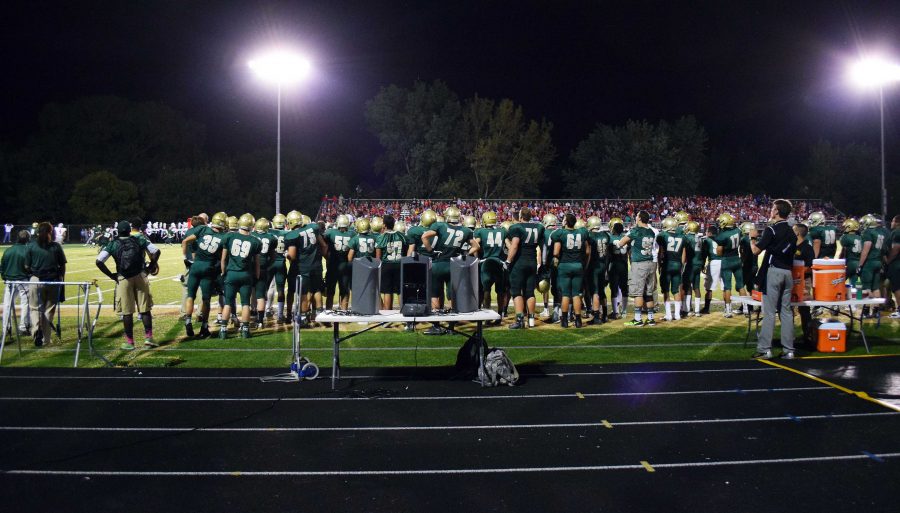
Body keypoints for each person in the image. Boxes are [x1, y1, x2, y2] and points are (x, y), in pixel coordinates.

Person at [96, 220, 161, 350]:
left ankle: (130, 342)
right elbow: (156, 251)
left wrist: (112, 275)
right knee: (145, 309)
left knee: (127, 311)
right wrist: (150, 267)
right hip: (140, 276)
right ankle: (149, 338)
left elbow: (99, 261)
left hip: (123, 278)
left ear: (118, 231)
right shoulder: (139, 240)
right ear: (129, 230)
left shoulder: (113, 243)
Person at [750, 199, 797, 359]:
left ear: (776, 211)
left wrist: (752, 238)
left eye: (772, 208)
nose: (771, 210)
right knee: (786, 312)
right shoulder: (791, 231)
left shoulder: (771, 229)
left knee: (769, 313)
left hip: (774, 272)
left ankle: (765, 349)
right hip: (788, 273)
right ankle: (789, 350)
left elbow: (756, 251)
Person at [181, 212, 227, 338]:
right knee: (206, 299)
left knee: (190, 295)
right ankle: (204, 327)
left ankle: (188, 321)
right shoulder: (224, 237)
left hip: (195, 266)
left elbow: (185, 241)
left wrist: (185, 258)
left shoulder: (203, 229)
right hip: (208, 268)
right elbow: (222, 258)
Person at [24, 222, 67, 347]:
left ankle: (37, 331)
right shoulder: (56, 246)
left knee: (35, 308)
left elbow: (27, 266)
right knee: (49, 310)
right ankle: (46, 339)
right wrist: (61, 278)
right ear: (51, 232)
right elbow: (62, 265)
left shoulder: (31, 246)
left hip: (36, 279)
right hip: (52, 280)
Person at [219, 214, 262, 338]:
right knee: (245, 304)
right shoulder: (255, 241)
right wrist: (257, 276)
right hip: (246, 275)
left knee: (228, 303)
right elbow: (257, 263)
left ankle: (223, 331)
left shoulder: (229, 236)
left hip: (231, 273)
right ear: (252, 225)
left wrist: (223, 273)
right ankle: (245, 330)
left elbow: (223, 259)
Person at [614, 210, 658, 326]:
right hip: (650, 262)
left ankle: (638, 319)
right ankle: (651, 318)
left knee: (638, 293)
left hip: (639, 264)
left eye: (637, 216)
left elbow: (621, 243)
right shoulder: (651, 232)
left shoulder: (635, 231)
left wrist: (616, 242)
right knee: (648, 293)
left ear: (640, 218)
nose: (635, 218)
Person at [504, 207, 544, 329]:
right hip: (532, 262)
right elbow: (542, 246)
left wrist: (508, 261)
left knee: (516, 292)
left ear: (521, 216)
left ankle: (520, 320)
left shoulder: (517, 227)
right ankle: (531, 320)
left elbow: (515, 246)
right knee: (530, 292)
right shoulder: (538, 227)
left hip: (519, 263)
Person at [551, 213, 591, 328]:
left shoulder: (561, 233)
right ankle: (578, 321)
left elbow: (556, 252)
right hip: (578, 265)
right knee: (576, 294)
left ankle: (564, 320)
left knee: (565, 294)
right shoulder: (581, 233)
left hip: (565, 265)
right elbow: (587, 252)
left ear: (565, 222)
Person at [474, 211, 508, 323]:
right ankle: (500, 314)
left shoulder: (480, 231)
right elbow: (510, 245)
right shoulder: (502, 231)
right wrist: (507, 260)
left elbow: (475, 244)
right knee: (500, 291)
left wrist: (476, 258)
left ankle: (488, 314)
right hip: (499, 263)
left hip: (487, 263)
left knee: (486, 289)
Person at [713, 213, 745, 318]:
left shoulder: (722, 236)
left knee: (727, 286)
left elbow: (719, 252)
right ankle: (745, 308)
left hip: (727, 261)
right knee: (740, 285)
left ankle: (728, 310)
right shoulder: (738, 231)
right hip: (737, 259)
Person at [656, 217, 687, 321]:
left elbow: (661, 252)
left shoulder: (663, 235)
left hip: (667, 265)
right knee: (676, 290)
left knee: (666, 291)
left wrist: (659, 265)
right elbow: (683, 252)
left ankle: (668, 315)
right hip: (677, 264)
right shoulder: (682, 236)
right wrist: (681, 265)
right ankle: (677, 315)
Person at [1, 230, 32, 334]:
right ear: (28, 238)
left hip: (9, 280)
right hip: (23, 280)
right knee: (25, 303)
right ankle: (24, 327)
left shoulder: (8, 250)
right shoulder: (27, 250)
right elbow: (29, 267)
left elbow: (2, 267)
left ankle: (6, 328)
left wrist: (5, 277)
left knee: (7, 305)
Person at [857, 214, 887, 317]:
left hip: (869, 263)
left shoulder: (868, 232)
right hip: (878, 261)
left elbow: (866, 248)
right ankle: (876, 310)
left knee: (866, 288)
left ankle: (865, 311)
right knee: (876, 288)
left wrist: (860, 264)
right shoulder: (879, 232)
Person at [375, 215, 407, 310]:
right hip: (399, 264)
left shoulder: (381, 237)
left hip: (386, 265)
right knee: (400, 291)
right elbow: (406, 248)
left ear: (384, 225)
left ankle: (387, 315)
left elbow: (378, 256)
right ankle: (403, 312)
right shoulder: (401, 235)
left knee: (387, 291)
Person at [585, 216, 611, 324]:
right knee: (602, 291)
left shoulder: (590, 235)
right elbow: (608, 252)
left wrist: (586, 266)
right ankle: (604, 315)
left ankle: (596, 317)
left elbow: (588, 253)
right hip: (603, 265)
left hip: (594, 266)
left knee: (594, 292)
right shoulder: (605, 235)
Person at [888, 215, 900, 318]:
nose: (891, 223)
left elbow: (896, 249)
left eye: (893, 221)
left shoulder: (896, 233)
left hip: (896, 264)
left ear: (897, 223)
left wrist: (888, 260)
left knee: (897, 287)